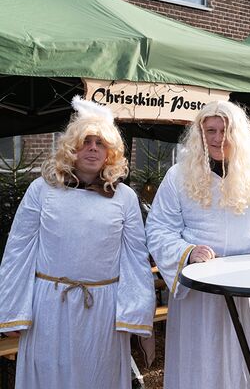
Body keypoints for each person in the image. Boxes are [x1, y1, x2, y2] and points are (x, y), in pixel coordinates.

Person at [0, 96, 155, 389]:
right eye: (86, 141)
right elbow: (18, 250)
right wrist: (12, 310)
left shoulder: (124, 198)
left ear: (110, 153)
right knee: (50, 374)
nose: (93, 148)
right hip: (49, 306)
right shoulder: (42, 190)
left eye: (100, 143)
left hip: (103, 310)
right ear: (72, 147)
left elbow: (135, 256)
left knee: (99, 376)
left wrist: (135, 310)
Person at [145, 100, 250, 389]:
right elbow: (158, 228)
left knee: (245, 361)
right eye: (210, 131)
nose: (218, 138)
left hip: (247, 288)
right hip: (200, 293)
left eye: (225, 130)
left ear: (238, 134)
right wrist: (187, 252)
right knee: (201, 362)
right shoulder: (178, 176)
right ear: (200, 134)